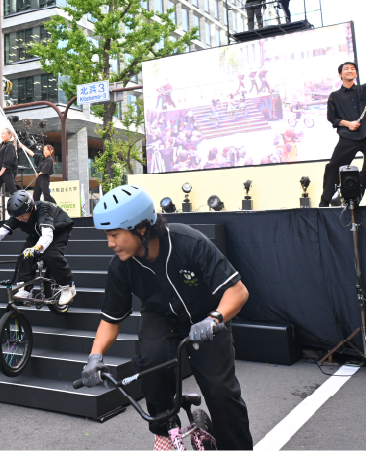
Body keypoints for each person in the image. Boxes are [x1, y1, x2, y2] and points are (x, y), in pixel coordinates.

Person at [80, 185, 252, 450]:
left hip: (208, 321)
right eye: (107, 236)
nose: (110, 243)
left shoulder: (189, 242)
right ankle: (164, 431)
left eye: (114, 235)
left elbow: (238, 291)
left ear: (141, 228)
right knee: (151, 362)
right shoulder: (121, 266)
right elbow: (111, 320)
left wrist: (215, 319)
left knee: (221, 393)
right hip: (160, 318)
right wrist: (95, 356)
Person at [0, 190, 76, 306]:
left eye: (22, 216)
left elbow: (48, 234)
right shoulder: (18, 216)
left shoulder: (43, 210)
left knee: (51, 255)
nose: (20, 219)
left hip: (58, 231)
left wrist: (37, 247)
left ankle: (68, 287)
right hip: (37, 234)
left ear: (31, 208)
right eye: (17, 217)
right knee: (24, 254)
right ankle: (26, 288)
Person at [319, 62, 366, 207]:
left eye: (353, 69)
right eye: (346, 69)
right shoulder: (334, 96)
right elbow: (332, 118)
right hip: (348, 137)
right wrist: (348, 124)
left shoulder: (363, 90)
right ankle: (324, 202)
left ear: (356, 73)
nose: (350, 70)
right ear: (340, 74)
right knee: (333, 167)